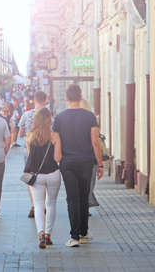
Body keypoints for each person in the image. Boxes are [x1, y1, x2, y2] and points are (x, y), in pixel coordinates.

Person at [52, 84, 104, 247]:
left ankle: (74, 236)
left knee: (72, 198)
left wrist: (58, 160)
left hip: (67, 163)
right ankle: (84, 232)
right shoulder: (89, 116)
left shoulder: (59, 118)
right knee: (83, 196)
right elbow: (95, 142)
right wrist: (100, 164)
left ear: (66, 98)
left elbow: (56, 142)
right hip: (86, 162)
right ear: (80, 98)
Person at [25, 107, 61, 249]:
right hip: (53, 174)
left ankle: (40, 234)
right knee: (51, 204)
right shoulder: (55, 136)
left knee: (39, 205)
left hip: (36, 175)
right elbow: (58, 157)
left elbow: (30, 157)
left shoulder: (29, 136)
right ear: (49, 119)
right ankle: (48, 235)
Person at [18, 91, 48, 218]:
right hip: (45, 151)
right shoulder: (49, 115)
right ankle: (44, 205)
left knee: (31, 178)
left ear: (34, 100)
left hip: (29, 151)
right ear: (45, 100)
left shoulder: (26, 115)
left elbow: (20, 133)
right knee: (45, 177)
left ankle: (34, 205)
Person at [79, 99, 100, 214]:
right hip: (90, 158)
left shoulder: (71, 120)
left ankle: (81, 206)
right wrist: (100, 163)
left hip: (75, 157)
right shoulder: (91, 119)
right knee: (89, 183)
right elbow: (95, 142)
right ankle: (85, 207)